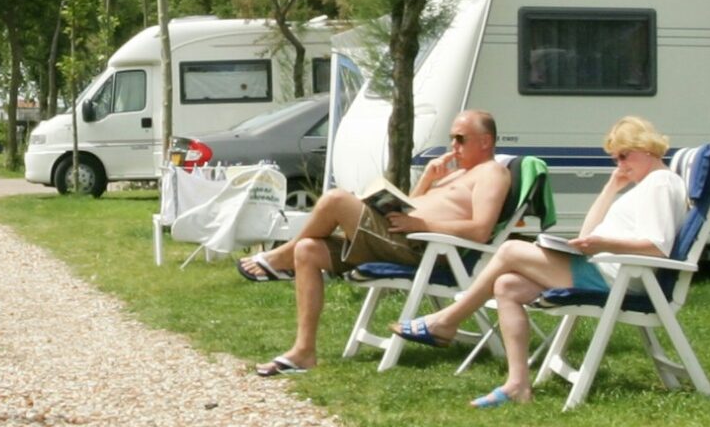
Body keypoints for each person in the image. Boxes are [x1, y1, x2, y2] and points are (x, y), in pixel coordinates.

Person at [391, 114, 687, 408]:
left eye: (623, 156)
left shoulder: (660, 183)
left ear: (646, 149)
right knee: (507, 285)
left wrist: (603, 244)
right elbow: (587, 233)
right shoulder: (646, 185)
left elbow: (657, 247)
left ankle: (446, 322)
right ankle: (517, 384)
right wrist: (611, 188)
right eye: (615, 159)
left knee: (510, 251)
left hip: (618, 278)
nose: (619, 165)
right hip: (606, 270)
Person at [240, 109, 510, 378]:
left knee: (335, 200)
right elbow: (413, 208)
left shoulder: (492, 173)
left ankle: (280, 258)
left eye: (460, 139)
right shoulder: (453, 175)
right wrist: (427, 179)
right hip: (399, 238)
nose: (453, 145)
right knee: (307, 250)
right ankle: (303, 351)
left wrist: (422, 226)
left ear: (485, 141)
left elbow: (480, 230)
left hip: (425, 249)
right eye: (451, 138)